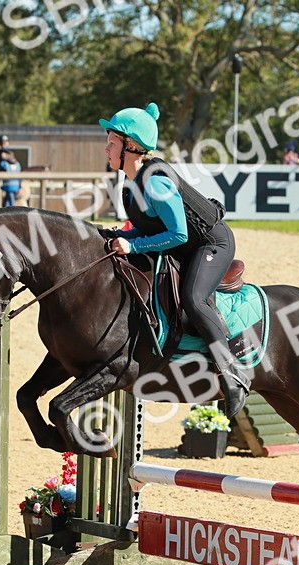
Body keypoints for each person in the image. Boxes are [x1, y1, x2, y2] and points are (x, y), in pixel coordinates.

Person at [99, 102, 250, 415]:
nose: (106, 149)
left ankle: (232, 375)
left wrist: (132, 246)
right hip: (184, 244)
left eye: (112, 143)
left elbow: (178, 234)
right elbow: (147, 228)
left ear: (131, 146)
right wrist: (116, 235)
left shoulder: (155, 183)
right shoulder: (131, 181)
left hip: (211, 243)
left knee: (194, 298)